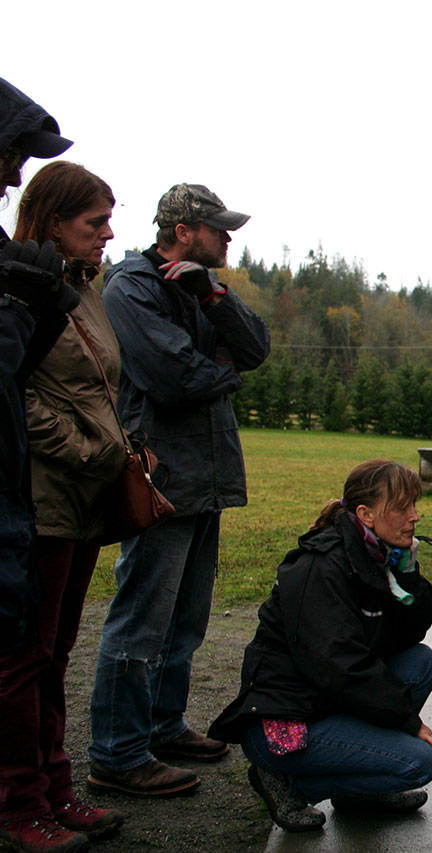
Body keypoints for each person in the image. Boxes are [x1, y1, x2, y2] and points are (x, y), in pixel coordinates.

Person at [87, 183, 270, 797]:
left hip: (204, 478)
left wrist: (214, 297)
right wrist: (224, 373)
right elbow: (173, 377)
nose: (228, 237)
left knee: (184, 620)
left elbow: (256, 349)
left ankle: (162, 725)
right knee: (142, 619)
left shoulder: (200, 288)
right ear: (183, 230)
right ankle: (116, 752)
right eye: (218, 227)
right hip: (158, 480)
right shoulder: (131, 287)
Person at [0, 162, 130, 850]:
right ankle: (20, 805)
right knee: (24, 659)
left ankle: (55, 788)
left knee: (55, 655)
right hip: (42, 501)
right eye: (95, 223)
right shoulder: (20, 290)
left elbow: (100, 389)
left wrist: (121, 447)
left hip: (86, 503)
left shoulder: (84, 293)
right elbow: (13, 393)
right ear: (52, 222)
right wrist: (86, 450)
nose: (109, 234)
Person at [209, 460, 432, 833]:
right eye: (402, 507)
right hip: (288, 718)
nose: (414, 517)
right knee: (417, 762)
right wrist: (408, 722)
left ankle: (358, 792)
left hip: (323, 699)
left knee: (421, 663)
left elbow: (404, 637)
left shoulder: (374, 555)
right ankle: (286, 781)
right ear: (365, 514)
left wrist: (408, 574)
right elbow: (341, 664)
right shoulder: (322, 566)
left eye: (414, 505)